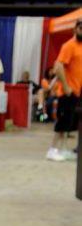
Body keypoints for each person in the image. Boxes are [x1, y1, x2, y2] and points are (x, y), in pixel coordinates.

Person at [46, 18, 82, 162]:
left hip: (76, 92)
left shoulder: (80, 47)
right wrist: (66, 87)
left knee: (68, 122)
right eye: (80, 28)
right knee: (62, 122)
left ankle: (62, 149)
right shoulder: (68, 45)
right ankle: (52, 150)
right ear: (75, 29)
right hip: (67, 92)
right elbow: (59, 66)